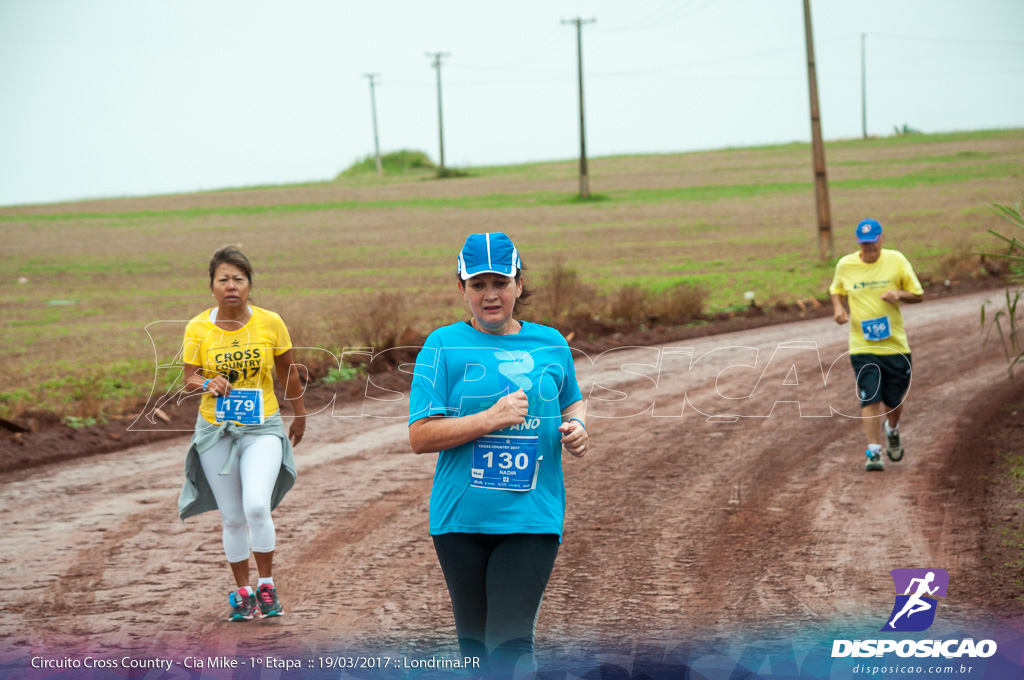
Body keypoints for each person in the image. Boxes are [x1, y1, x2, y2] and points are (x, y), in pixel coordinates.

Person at [408, 232, 589, 677]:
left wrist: (579, 426)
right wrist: (489, 418)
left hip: (531, 516)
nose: (490, 295)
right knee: (474, 651)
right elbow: (420, 436)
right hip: (459, 519)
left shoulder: (550, 343)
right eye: (478, 285)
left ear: (519, 284)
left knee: (508, 645)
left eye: (501, 283)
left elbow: (573, 400)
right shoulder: (442, 346)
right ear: (461, 289)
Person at [177, 245, 306, 621]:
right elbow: (188, 379)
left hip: (262, 427)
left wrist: (300, 414)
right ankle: (242, 593)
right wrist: (207, 383)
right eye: (223, 279)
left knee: (255, 506)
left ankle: (267, 587)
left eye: (239, 279)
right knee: (233, 517)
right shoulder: (198, 327)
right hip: (216, 432)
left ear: (250, 284)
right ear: (212, 287)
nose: (231, 285)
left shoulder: (270, 322)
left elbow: (289, 371)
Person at [830, 219, 923, 472]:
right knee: (870, 396)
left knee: (893, 401)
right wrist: (839, 308)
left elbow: (918, 294)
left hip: (895, 345)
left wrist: (899, 294)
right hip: (862, 345)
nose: (869, 249)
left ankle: (891, 429)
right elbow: (836, 289)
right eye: (864, 244)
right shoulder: (846, 265)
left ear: (882, 238)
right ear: (858, 242)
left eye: (873, 244)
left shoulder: (897, 260)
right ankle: (873, 452)